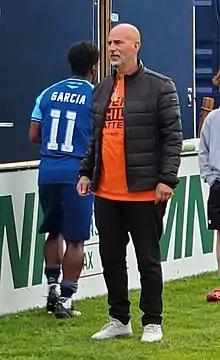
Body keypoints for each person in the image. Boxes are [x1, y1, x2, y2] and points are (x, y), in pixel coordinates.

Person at [77, 23, 182, 342]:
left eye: (119, 42)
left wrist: (167, 179)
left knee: (147, 259)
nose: (112, 48)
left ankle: (153, 320)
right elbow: (96, 138)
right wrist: (85, 171)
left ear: (136, 45)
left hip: (145, 192)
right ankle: (119, 318)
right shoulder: (101, 88)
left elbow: (173, 137)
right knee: (111, 258)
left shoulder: (160, 86)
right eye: (109, 42)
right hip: (106, 192)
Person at [29, 41, 99, 318]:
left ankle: (51, 288)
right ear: (94, 67)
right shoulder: (95, 95)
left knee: (53, 231)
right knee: (76, 240)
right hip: (77, 173)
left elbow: (33, 135)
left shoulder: (47, 93)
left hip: (48, 171)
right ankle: (67, 300)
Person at [199, 70, 220, 287]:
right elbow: (202, 151)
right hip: (219, 185)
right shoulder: (213, 119)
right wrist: (210, 178)